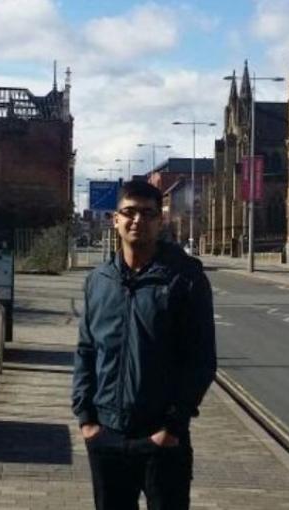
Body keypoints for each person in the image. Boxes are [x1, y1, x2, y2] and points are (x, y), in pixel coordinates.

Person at [73, 180, 217, 510]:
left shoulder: (185, 278)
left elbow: (201, 360)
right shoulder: (99, 281)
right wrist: (87, 420)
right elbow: (86, 350)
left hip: (161, 439)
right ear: (115, 219)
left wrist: (173, 426)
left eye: (148, 213)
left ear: (159, 220)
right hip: (106, 434)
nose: (138, 220)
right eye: (129, 212)